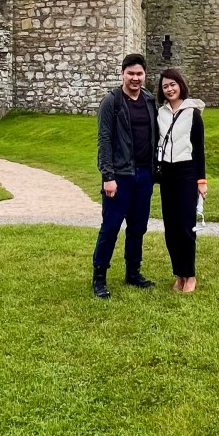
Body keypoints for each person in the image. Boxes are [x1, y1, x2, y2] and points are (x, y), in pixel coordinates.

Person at [91, 53, 158, 299]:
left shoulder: (150, 100)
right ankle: (99, 277)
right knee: (110, 227)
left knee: (138, 228)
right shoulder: (112, 102)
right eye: (130, 73)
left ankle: (133, 272)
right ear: (122, 74)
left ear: (144, 75)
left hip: (144, 175)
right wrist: (108, 176)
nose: (135, 78)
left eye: (139, 74)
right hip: (119, 176)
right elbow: (104, 140)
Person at [156, 67, 207, 293]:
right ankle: (179, 274)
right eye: (165, 86)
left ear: (180, 85)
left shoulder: (192, 112)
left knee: (186, 227)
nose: (169, 89)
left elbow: (199, 149)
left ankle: (191, 275)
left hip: (187, 172)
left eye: (173, 84)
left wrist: (201, 180)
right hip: (167, 173)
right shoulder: (161, 113)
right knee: (171, 227)